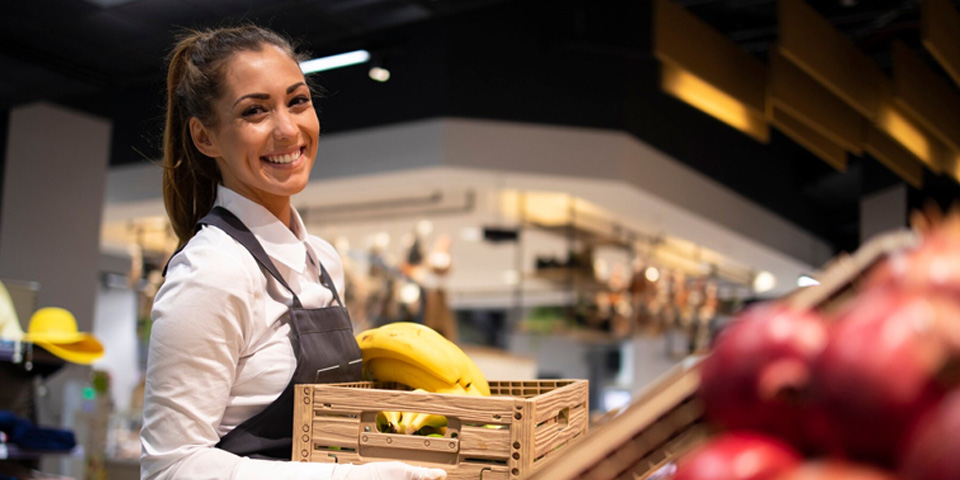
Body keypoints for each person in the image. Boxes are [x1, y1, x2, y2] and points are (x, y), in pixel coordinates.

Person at [139, 25, 447, 480]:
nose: (288, 129)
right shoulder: (212, 272)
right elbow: (171, 466)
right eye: (255, 111)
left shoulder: (323, 262)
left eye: (297, 101)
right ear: (205, 138)